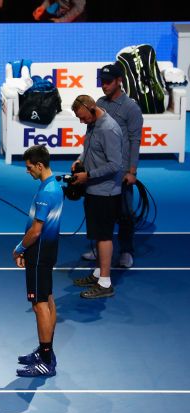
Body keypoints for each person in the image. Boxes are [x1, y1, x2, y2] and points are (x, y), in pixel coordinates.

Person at [80, 63, 143, 269]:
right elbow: (90, 137)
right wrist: (82, 159)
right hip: (101, 169)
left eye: (108, 82)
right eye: (102, 82)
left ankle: (126, 250)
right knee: (98, 212)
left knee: (124, 213)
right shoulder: (98, 103)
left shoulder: (131, 108)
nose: (104, 86)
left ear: (119, 81)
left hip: (121, 171)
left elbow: (135, 140)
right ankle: (100, 246)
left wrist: (132, 171)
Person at [13, 145, 63, 377]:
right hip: (48, 251)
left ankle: (45, 360)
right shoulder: (53, 186)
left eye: (29, 167)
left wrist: (20, 248)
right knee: (48, 299)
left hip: (39, 253)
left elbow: (35, 231)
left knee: (39, 304)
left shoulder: (46, 193)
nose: (28, 171)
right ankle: (46, 352)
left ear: (40, 165)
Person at [70, 95, 123, 299]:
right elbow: (88, 149)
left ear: (92, 109)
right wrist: (79, 161)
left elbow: (115, 164)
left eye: (83, 117)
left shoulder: (109, 129)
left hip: (106, 191)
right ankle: (98, 273)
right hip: (93, 189)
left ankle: (105, 283)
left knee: (104, 236)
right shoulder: (93, 124)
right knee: (98, 234)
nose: (82, 122)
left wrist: (89, 175)